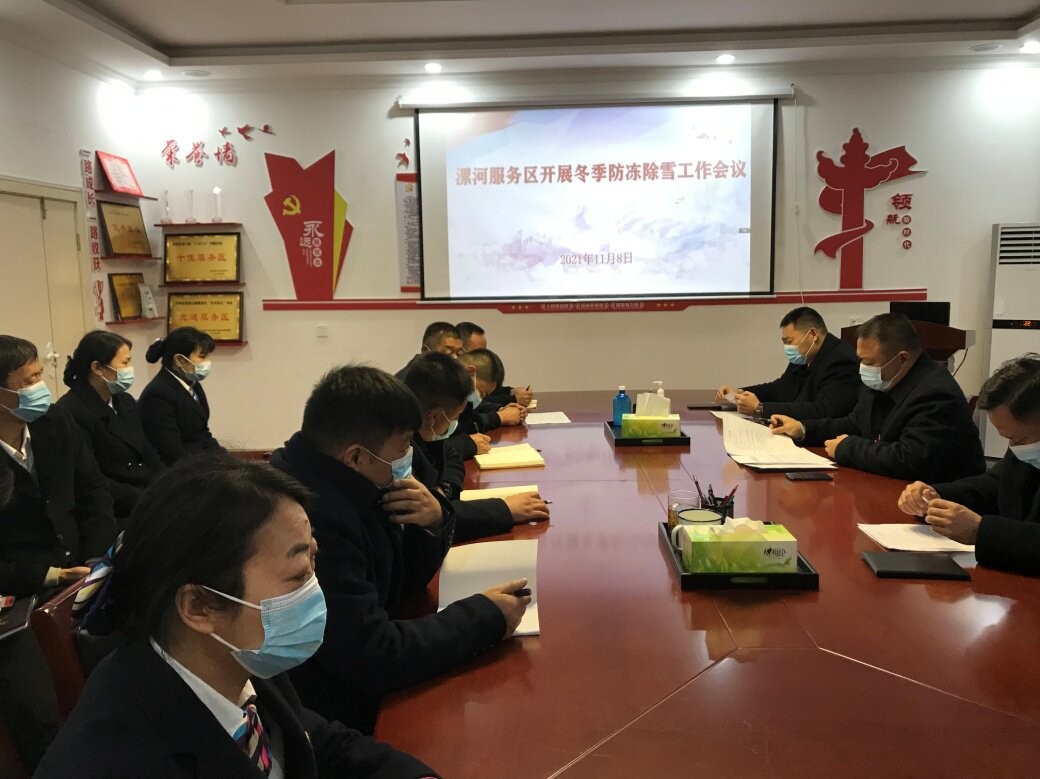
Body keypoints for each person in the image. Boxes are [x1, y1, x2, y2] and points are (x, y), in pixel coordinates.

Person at [35, 454, 438, 777]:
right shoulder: (121, 757)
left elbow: (311, 738)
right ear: (199, 606)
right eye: (298, 575)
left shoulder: (230, 658)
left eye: (313, 561)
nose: (315, 590)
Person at [269, 366, 530, 734]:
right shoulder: (309, 520)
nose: (410, 455)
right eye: (405, 445)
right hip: (327, 714)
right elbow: (372, 655)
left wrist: (433, 521)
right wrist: (484, 617)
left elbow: (400, 584)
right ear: (356, 456)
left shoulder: (359, 480)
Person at [768, 313, 985, 482]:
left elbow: (909, 459)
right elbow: (854, 424)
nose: (863, 368)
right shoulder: (884, 378)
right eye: (861, 360)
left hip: (940, 502)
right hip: (888, 485)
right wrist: (804, 429)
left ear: (902, 359)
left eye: (870, 362)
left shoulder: (936, 394)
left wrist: (847, 448)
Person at [897, 354, 1040, 575]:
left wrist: (980, 531)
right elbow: (995, 485)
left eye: (1020, 440)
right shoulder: (1027, 445)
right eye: (1008, 440)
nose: (1013, 447)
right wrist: (935, 496)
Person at [0, 335, 116, 597]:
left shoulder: (55, 421)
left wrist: (95, 558)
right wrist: (54, 576)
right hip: (23, 584)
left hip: (82, 562)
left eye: (40, 375)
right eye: (29, 381)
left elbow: (94, 490)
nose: (40, 388)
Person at [403, 352, 550, 541]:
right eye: (455, 417)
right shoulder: (399, 448)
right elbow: (426, 521)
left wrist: (444, 492)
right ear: (435, 417)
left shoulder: (430, 431)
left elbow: (451, 456)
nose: (455, 424)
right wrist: (504, 510)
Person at [56, 330, 164, 522]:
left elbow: (146, 450)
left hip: (143, 491)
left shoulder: (125, 401)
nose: (130, 369)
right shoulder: (71, 411)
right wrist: (145, 499)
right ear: (97, 368)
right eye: (125, 363)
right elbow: (89, 478)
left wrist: (167, 482)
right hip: (110, 506)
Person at [715, 306, 860, 420]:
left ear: (813, 335)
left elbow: (822, 410)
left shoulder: (841, 361)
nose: (787, 347)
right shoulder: (804, 356)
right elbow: (779, 388)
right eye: (784, 342)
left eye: (789, 341)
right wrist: (739, 393)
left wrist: (760, 409)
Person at [139, 327, 225, 465]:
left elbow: (203, 435)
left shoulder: (193, 384)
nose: (207, 362)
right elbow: (170, 451)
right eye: (202, 357)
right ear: (179, 360)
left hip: (198, 461)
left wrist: (226, 461)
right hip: (178, 469)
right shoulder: (158, 395)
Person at [456, 322, 534, 407]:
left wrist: (510, 391)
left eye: (484, 350)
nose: (483, 356)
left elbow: (488, 392)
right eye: (478, 351)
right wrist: (512, 399)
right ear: (460, 350)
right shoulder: (452, 376)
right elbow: (476, 403)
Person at [394, 322, 464, 381]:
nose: (455, 358)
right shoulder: (407, 380)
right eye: (448, 352)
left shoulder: (454, 378)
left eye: (459, 353)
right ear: (425, 351)